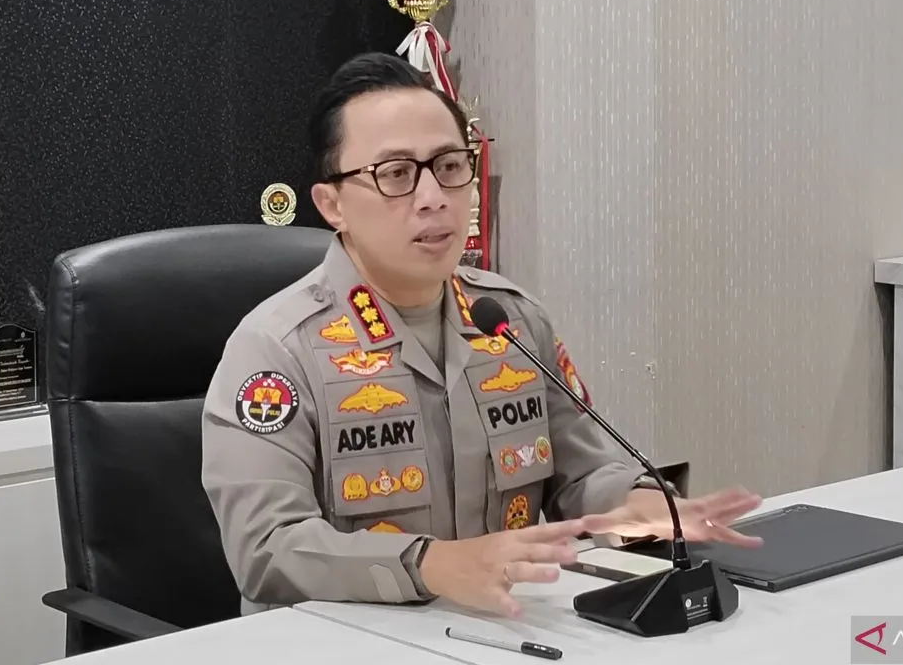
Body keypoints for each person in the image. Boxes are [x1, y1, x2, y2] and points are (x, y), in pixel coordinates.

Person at [201, 52, 762, 618]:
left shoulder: (509, 320)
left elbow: (582, 473)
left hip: (500, 629)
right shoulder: (277, 349)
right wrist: (430, 564)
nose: (433, 196)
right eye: (395, 174)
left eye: (449, 165)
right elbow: (265, 548)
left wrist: (636, 504)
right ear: (332, 205)